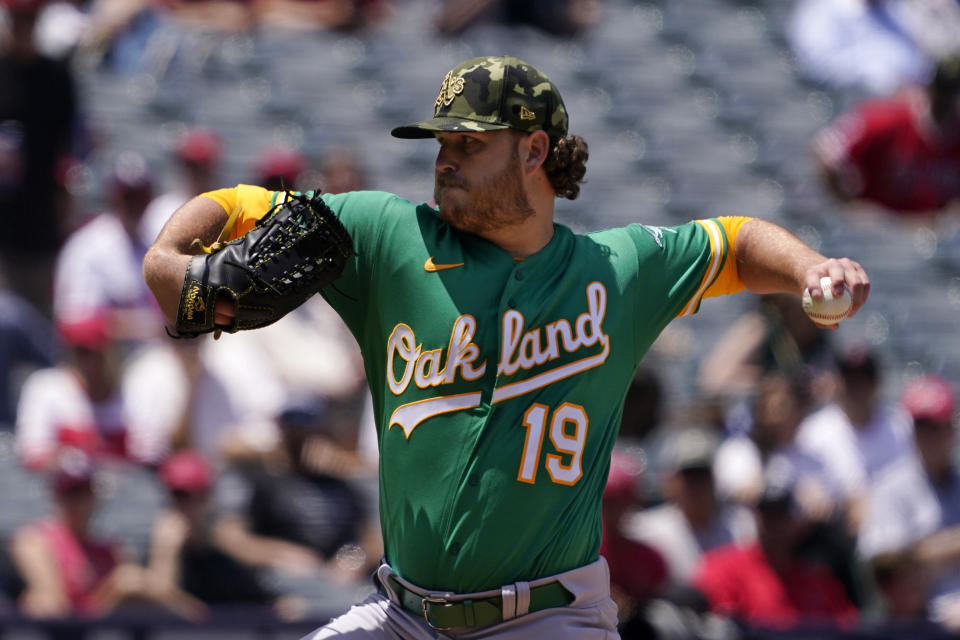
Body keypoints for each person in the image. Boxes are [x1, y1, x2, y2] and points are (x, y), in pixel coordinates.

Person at [142, 55, 870, 638]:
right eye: (442, 144)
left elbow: (734, 242)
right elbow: (240, 207)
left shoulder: (615, 271)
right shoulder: (390, 237)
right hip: (403, 617)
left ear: (534, 150)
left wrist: (811, 269)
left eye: (469, 143)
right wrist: (169, 256)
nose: (445, 160)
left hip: (550, 619)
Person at [693, 479, 859, 630]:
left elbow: (850, 628)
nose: (774, 525)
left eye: (781, 515)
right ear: (756, 518)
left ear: (796, 522)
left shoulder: (820, 582)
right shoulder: (723, 569)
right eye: (767, 515)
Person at [0, 0, 79, 316]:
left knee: (36, 324)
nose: (22, 26)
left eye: (29, 18)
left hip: (40, 226)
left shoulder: (56, 78)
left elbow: (70, 150)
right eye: (17, 18)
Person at [812, 55, 960, 217]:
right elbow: (825, 148)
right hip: (879, 226)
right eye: (943, 91)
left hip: (932, 233)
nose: (946, 100)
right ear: (930, 87)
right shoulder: (887, 118)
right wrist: (845, 202)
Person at [624, 426, 757, 589]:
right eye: (689, 476)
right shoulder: (648, 531)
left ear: (715, 478)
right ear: (671, 482)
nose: (696, 486)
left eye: (702, 475)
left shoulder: (742, 527)